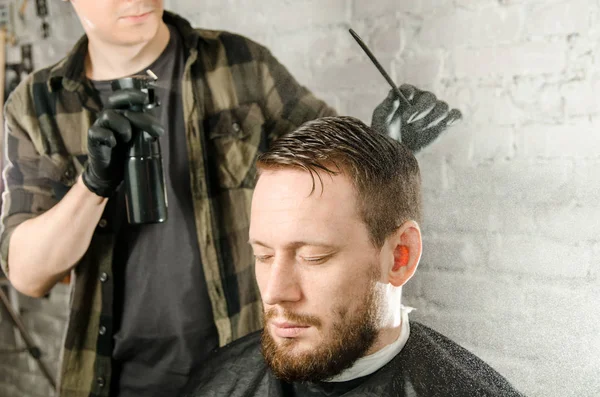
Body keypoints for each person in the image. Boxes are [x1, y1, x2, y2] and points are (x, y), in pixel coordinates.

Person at [0, 1, 461, 397]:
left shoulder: (241, 66)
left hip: (243, 374)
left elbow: (333, 185)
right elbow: (27, 275)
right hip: (117, 378)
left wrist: (385, 146)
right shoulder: (36, 105)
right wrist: (93, 185)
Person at [183, 116, 524, 397]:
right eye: (263, 254)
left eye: (313, 257)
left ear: (400, 257)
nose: (274, 292)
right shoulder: (215, 382)